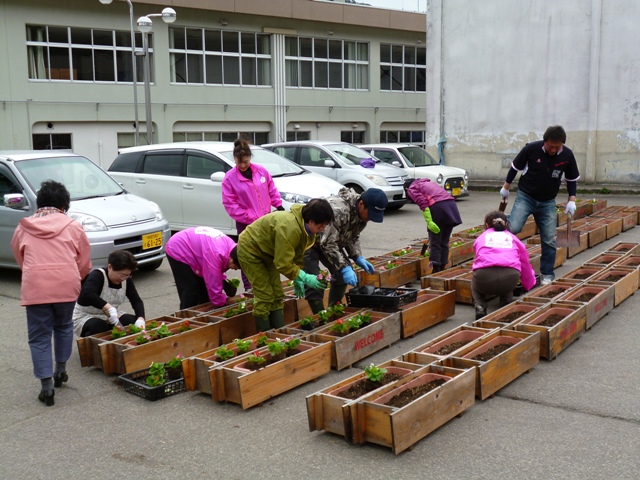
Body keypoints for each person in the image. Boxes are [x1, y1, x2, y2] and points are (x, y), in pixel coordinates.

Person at [11, 180, 92, 406]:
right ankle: (60, 371)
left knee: (39, 337)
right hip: (66, 284)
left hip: (36, 285)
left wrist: (33, 273)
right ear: (64, 204)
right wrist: (75, 275)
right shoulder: (73, 226)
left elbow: (20, 257)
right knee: (64, 326)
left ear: (40, 202)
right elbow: (84, 261)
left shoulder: (24, 227)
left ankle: (46, 388)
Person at [237, 198, 335, 331]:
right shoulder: (290, 228)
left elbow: (297, 254)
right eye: (321, 226)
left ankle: (280, 333)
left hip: (268, 252)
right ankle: (265, 338)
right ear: (311, 221)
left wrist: (298, 277)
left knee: (277, 294)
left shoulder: (307, 229)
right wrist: (304, 277)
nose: (323, 229)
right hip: (250, 250)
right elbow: (282, 263)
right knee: (264, 295)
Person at [500, 125, 580, 285]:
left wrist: (572, 199)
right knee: (514, 227)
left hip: (548, 201)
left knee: (549, 238)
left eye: (557, 147)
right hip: (526, 197)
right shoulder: (531, 149)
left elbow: (571, 179)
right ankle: (505, 223)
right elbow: (515, 167)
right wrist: (506, 187)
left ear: (562, 144)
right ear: (545, 142)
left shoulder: (567, 155)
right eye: (550, 146)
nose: (553, 149)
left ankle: (547, 273)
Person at [303, 187, 387, 313]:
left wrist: (357, 256)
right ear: (361, 204)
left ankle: (333, 310)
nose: (370, 219)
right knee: (316, 281)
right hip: (309, 242)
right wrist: (344, 268)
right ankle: (320, 317)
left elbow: (352, 236)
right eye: (370, 214)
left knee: (341, 276)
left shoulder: (361, 216)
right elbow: (327, 244)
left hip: (331, 242)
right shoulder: (339, 211)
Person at [222, 138, 284, 291]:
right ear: (235, 159)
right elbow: (230, 205)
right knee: (247, 256)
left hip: (266, 221)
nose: (243, 165)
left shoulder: (261, 171)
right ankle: (250, 287)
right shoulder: (230, 178)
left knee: (268, 253)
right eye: (239, 162)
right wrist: (250, 217)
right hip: (247, 224)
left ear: (250, 158)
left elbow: (271, 189)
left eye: (246, 162)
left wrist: (278, 204)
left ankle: (270, 284)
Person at [471, 211, 537, 319]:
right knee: (510, 276)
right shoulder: (513, 238)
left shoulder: (481, 238)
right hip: (509, 277)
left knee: (474, 279)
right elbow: (524, 262)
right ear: (506, 224)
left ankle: (480, 305)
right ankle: (506, 303)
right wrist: (529, 282)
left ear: (487, 225)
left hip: (484, 278)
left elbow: (478, 258)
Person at [73, 250, 146, 338]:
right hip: (85, 316)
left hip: (111, 316)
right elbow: (87, 294)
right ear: (110, 267)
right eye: (122, 275)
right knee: (98, 326)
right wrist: (109, 307)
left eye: (127, 275)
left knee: (132, 322)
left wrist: (140, 318)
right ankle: (90, 347)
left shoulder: (126, 280)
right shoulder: (97, 275)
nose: (123, 278)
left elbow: (136, 301)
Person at [165, 227, 240, 310]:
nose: (235, 269)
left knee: (204, 290)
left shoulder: (230, 248)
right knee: (190, 289)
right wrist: (221, 304)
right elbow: (213, 280)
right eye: (235, 266)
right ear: (231, 258)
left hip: (193, 249)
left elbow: (216, 270)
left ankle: (202, 314)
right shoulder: (217, 253)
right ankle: (185, 317)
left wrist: (224, 284)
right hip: (178, 248)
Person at [407, 178, 462, 272]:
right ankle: (442, 269)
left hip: (439, 208)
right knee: (444, 241)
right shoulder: (428, 183)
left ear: (406, 189)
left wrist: (429, 222)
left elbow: (423, 204)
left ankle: (436, 270)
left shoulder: (412, 188)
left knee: (435, 242)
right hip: (451, 207)